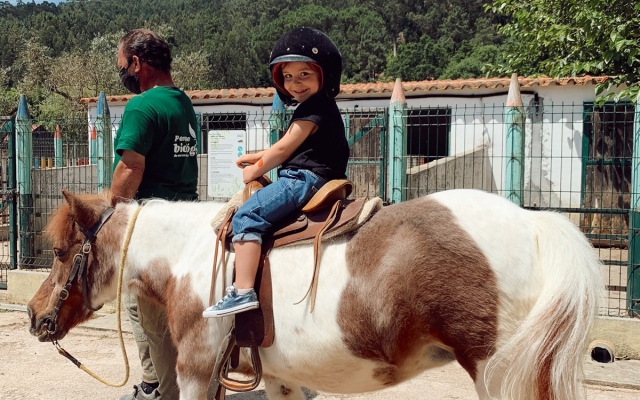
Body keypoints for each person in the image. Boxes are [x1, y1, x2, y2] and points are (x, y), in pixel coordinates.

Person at [202, 27, 348, 318]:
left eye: (304, 74)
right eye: (288, 76)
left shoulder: (314, 109)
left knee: (247, 216)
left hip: (304, 180)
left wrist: (254, 170)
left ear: (324, 74)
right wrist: (257, 156)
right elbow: (285, 146)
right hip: (310, 175)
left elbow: (282, 152)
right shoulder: (316, 108)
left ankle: (243, 291)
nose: (295, 83)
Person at [112, 28, 199, 400]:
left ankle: (168, 394)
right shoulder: (182, 103)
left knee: (157, 322)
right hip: (186, 222)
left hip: (151, 227)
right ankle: (152, 382)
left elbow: (131, 167)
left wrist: (110, 214)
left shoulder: (141, 106)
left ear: (136, 63)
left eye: (122, 66)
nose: (123, 74)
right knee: (139, 309)